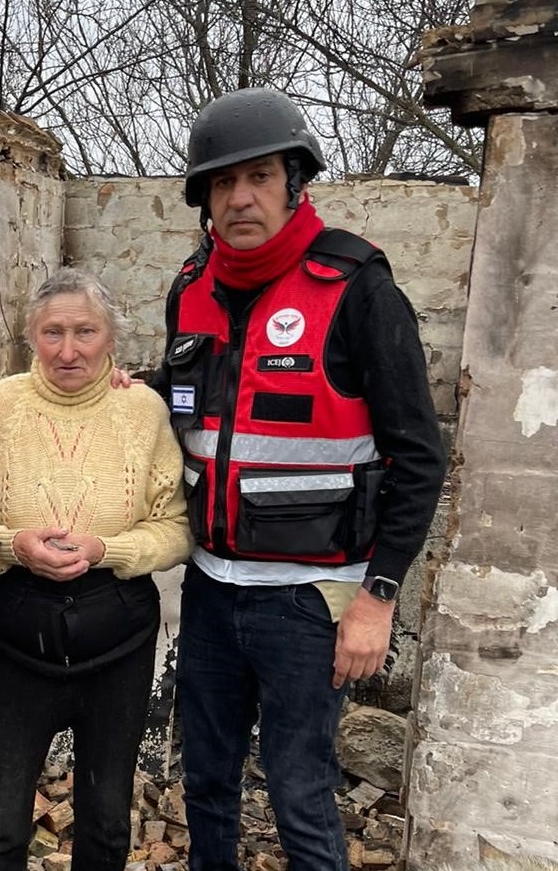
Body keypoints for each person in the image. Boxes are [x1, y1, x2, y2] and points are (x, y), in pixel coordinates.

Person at [155, 89, 447, 871]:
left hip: (309, 603)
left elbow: (419, 454)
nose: (239, 197)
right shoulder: (189, 287)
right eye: (222, 183)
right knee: (207, 780)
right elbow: (182, 407)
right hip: (211, 590)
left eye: (257, 176)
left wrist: (376, 599)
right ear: (204, 199)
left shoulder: (356, 287)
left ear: (294, 180)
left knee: (299, 791)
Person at [0, 267, 192, 871]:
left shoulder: (143, 410)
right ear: (31, 338)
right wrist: (16, 546)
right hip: (13, 638)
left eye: (86, 332)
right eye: (53, 333)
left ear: (111, 337)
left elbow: (176, 528)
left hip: (117, 639)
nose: (69, 350)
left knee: (107, 823)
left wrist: (105, 550)